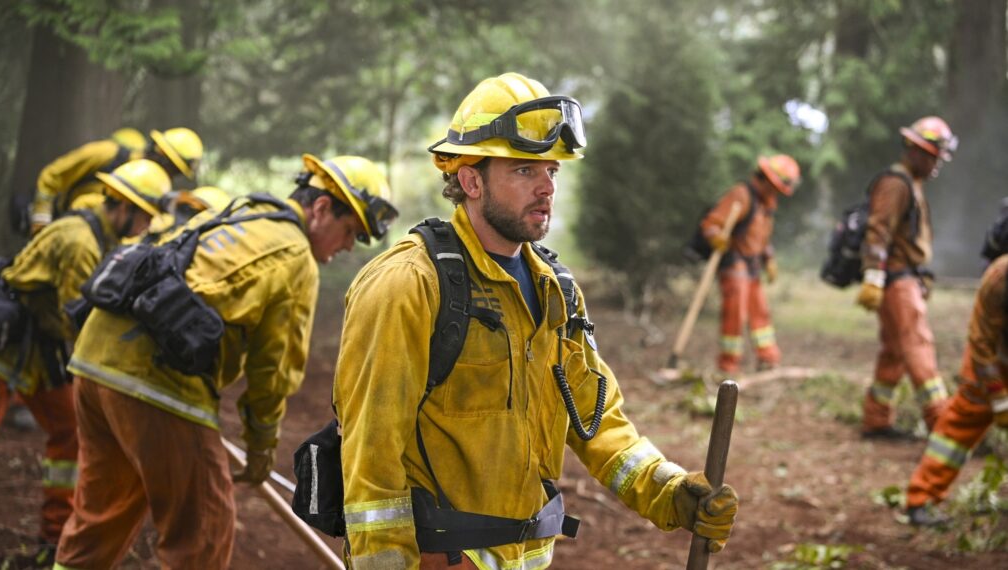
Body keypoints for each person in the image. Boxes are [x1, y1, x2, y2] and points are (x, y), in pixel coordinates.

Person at [332, 72, 738, 570]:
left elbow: (597, 422)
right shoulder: (407, 284)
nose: (547, 186)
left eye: (552, 171)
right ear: (470, 179)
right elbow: (371, 459)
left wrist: (670, 490)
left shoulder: (556, 289)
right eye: (525, 171)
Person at [51, 153, 397, 570]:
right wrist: (260, 449)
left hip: (93, 360)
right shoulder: (294, 257)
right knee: (204, 533)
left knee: (100, 515)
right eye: (349, 232)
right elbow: (274, 371)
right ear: (322, 208)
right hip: (156, 383)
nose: (346, 247)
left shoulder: (239, 213)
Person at [0, 159, 171, 563]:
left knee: (70, 431)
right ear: (123, 206)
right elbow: (79, 320)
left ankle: (52, 539)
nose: (146, 226)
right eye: (144, 216)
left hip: (37, 350)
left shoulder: (101, 232)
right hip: (6, 346)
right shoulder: (81, 242)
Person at [857, 116, 958, 439]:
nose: (936, 165)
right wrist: (873, 277)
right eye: (933, 157)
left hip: (905, 279)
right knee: (919, 347)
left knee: (895, 351)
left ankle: (876, 419)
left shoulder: (910, 183)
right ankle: (943, 424)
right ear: (917, 152)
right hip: (897, 282)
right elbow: (878, 231)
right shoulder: (896, 183)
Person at [904, 223, 1008, 527]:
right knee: (959, 427)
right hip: (993, 362)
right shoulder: (1000, 278)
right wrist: (999, 396)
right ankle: (921, 499)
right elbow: (980, 341)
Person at [701, 155, 800, 374]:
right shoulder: (741, 195)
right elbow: (711, 223)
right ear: (765, 179)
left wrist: (769, 258)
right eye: (774, 188)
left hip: (753, 265)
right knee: (735, 315)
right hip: (734, 263)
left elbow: (762, 237)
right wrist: (716, 236)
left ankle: (768, 358)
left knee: (761, 313)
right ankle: (728, 365)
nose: (775, 194)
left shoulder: (767, 205)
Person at [28, 127, 204, 234]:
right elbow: (53, 176)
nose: (170, 176)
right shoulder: (107, 153)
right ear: (159, 155)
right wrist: (41, 221)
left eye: (176, 174)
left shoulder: (156, 189)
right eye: (172, 168)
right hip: (60, 223)